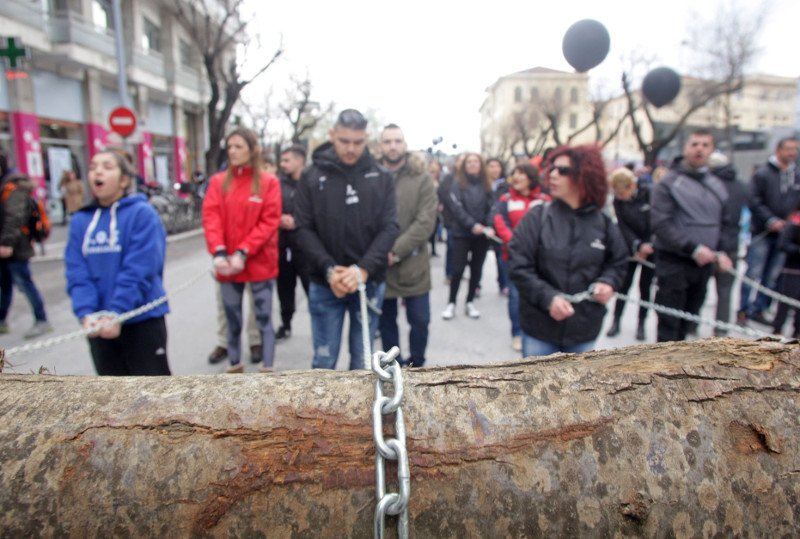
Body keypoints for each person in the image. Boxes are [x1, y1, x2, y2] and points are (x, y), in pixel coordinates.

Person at [294, 109, 398, 370]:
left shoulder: (382, 177)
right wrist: (329, 269)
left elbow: (389, 227)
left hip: (368, 282)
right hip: (326, 281)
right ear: (332, 135)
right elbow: (303, 229)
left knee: (363, 362)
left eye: (358, 142)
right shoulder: (311, 176)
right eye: (344, 141)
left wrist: (363, 269)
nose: (351, 149)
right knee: (324, 360)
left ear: (366, 139)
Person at [508, 145, 627, 357]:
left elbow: (618, 262)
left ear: (584, 175)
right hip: (540, 329)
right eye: (552, 168)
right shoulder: (537, 217)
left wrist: (608, 282)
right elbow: (518, 265)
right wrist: (548, 298)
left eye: (563, 170)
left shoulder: (603, 222)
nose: (553, 174)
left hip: (584, 329)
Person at [64, 151, 168, 375]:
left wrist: (117, 311)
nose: (98, 172)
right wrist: (86, 312)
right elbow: (76, 271)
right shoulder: (80, 221)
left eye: (107, 166)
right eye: (93, 167)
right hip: (98, 324)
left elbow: (140, 269)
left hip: (141, 320)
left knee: (154, 389)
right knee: (110, 389)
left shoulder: (142, 214)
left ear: (124, 180)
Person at [202, 128, 282, 373]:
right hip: (228, 265)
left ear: (252, 149)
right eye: (230, 147)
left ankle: (267, 369)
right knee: (232, 319)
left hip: (259, 262)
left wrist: (244, 251)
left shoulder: (269, 182)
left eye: (238, 146)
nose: (233, 151)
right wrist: (219, 252)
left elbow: (269, 221)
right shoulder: (218, 182)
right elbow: (211, 217)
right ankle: (235, 367)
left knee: (263, 318)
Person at [650, 129, 738, 342]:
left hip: (703, 265)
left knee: (689, 320)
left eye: (705, 145)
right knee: (669, 325)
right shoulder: (669, 183)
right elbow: (661, 223)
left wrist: (723, 251)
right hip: (674, 263)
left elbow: (727, 222)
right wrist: (692, 248)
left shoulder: (717, 185)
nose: (699, 149)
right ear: (685, 148)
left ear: (712, 150)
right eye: (695, 144)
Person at [377, 124, 437, 368]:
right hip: (381, 265)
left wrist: (396, 250)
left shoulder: (421, 178)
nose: (393, 146)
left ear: (405, 144)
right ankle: (394, 368)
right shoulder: (372, 175)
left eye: (397, 141)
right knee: (386, 323)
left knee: (420, 321)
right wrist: (381, 252)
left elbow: (426, 221)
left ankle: (417, 366)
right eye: (387, 141)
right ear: (380, 145)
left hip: (414, 264)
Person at [739, 137, 800, 326]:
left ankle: (760, 308)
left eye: (795, 149)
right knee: (753, 272)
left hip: (784, 235)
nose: (792, 153)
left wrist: (790, 223)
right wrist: (770, 220)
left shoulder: (796, 175)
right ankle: (743, 311)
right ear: (778, 150)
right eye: (788, 149)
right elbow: (753, 200)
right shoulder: (763, 174)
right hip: (762, 232)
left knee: (772, 276)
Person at [494, 162, 550, 352]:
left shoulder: (544, 200)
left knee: (538, 293)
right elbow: (499, 222)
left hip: (540, 258)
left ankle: (536, 330)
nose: (516, 177)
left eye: (521, 173)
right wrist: (518, 245)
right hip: (513, 256)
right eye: (514, 173)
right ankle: (517, 333)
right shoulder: (506, 199)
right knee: (516, 296)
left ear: (531, 177)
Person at [0, 170, 54, 339]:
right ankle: (1, 320)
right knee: (5, 285)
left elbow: (14, 218)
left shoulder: (15, 189)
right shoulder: (7, 187)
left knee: (24, 284)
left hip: (16, 248)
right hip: (8, 247)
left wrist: (6, 243)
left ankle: (42, 320)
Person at [440, 153, 494, 320]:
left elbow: (492, 207)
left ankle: (470, 302)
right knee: (457, 270)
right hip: (461, 233)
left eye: (475, 161)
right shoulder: (457, 184)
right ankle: (451, 302)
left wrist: (488, 225)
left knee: (476, 270)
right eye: (469, 162)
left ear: (480, 164)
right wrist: (472, 225)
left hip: (482, 235)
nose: (472, 164)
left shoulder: (487, 185)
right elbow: (456, 207)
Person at [605, 167, 655, 341]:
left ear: (631, 186)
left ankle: (641, 324)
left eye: (621, 193)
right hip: (631, 248)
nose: (619, 197)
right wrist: (637, 245)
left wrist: (649, 245)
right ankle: (616, 320)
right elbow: (622, 226)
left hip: (651, 248)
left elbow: (657, 221)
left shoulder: (650, 193)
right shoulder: (618, 201)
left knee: (645, 288)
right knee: (624, 286)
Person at [708, 151, 748, 336]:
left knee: (700, 288)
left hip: (711, 242)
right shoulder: (739, 185)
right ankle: (721, 330)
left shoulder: (710, 184)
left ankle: (693, 325)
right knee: (725, 292)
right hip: (730, 243)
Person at [275, 144, 310, 340]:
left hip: (306, 248)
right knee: (284, 289)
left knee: (313, 290)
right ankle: (286, 324)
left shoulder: (311, 182)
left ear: (300, 161)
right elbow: (268, 209)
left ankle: (320, 327)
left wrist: (298, 220)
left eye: (287, 160)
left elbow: (320, 211)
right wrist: (278, 219)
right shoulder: (277, 184)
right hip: (283, 246)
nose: (283, 164)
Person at [771, 202, 800, 338]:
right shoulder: (795, 221)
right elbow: (783, 244)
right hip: (792, 270)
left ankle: (797, 332)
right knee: (785, 302)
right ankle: (777, 330)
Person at [487, 157, 509, 296]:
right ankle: (476, 285)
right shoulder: (482, 185)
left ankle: (503, 283)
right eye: (491, 166)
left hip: (499, 227)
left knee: (501, 257)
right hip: (483, 226)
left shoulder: (506, 186)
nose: (495, 169)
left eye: (497, 166)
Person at [427, 159, 443, 256]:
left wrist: (441, 204)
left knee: (434, 230)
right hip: (427, 209)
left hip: (436, 211)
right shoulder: (425, 181)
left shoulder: (439, 181)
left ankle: (433, 249)